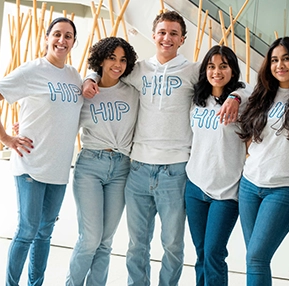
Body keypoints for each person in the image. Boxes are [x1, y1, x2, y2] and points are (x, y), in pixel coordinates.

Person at [82, 11, 243, 286]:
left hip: (177, 171)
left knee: (172, 246)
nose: (166, 38)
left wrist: (237, 96)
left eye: (173, 33)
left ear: (182, 38)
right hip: (138, 170)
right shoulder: (139, 69)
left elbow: (240, 84)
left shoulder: (195, 71)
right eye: (161, 32)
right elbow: (108, 68)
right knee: (136, 246)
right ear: (154, 35)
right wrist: (89, 77)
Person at [0, 17, 83, 286]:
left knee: (45, 233)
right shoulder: (32, 70)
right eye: (57, 34)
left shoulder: (73, 75)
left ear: (74, 42)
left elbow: (61, 113)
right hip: (31, 164)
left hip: (59, 168)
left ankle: (35, 283)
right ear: (46, 38)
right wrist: (5, 137)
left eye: (68, 36)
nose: (62, 40)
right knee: (27, 230)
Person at [237, 36, 289, 286]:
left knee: (257, 257)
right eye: (274, 60)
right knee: (254, 258)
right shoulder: (262, 93)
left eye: (285, 58)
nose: (279, 65)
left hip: (285, 188)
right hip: (250, 184)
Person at [66, 37, 138, 286]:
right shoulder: (85, 92)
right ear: (101, 60)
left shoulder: (133, 92)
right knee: (90, 239)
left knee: (106, 241)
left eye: (122, 60)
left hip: (122, 168)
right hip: (90, 166)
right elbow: (62, 122)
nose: (117, 64)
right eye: (111, 58)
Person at [185, 45, 247, 286]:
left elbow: (250, 88)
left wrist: (234, 96)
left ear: (233, 69)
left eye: (223, 66)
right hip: (195, 186)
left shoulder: (243, 99)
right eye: (211, 66)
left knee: (214, 253)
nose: (216, 71)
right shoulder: (198, 99)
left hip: (226, 191)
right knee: (201, 253)